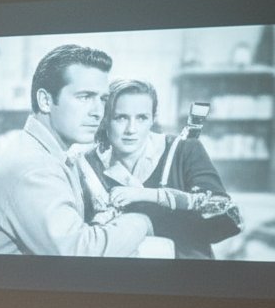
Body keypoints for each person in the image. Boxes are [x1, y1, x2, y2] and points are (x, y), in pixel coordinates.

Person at [0, 43, 154, 256]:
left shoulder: (46, 152)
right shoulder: (34, 167)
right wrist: (141, 221)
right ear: (45, 101)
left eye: (102, 99)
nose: (98, 112)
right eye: (84, 97)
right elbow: (81, 252)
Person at [78, 79, 242, 259]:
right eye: (121, 117)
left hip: (185, 272)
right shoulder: (89, 163)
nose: (131, 129)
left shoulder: (184, 149)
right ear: (104, 120)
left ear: (152, 119)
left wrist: (149, 197)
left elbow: (221, 212)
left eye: (142, 118)